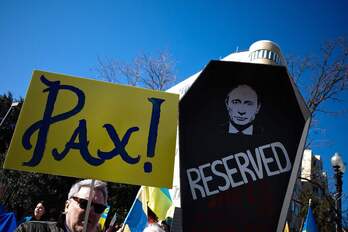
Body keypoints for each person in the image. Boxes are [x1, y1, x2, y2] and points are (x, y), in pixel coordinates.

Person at [16, 179, 108, 232]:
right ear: (67, 206)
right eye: (84, 203)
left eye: (99, 208)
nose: (90, 211)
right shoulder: (29, 230)